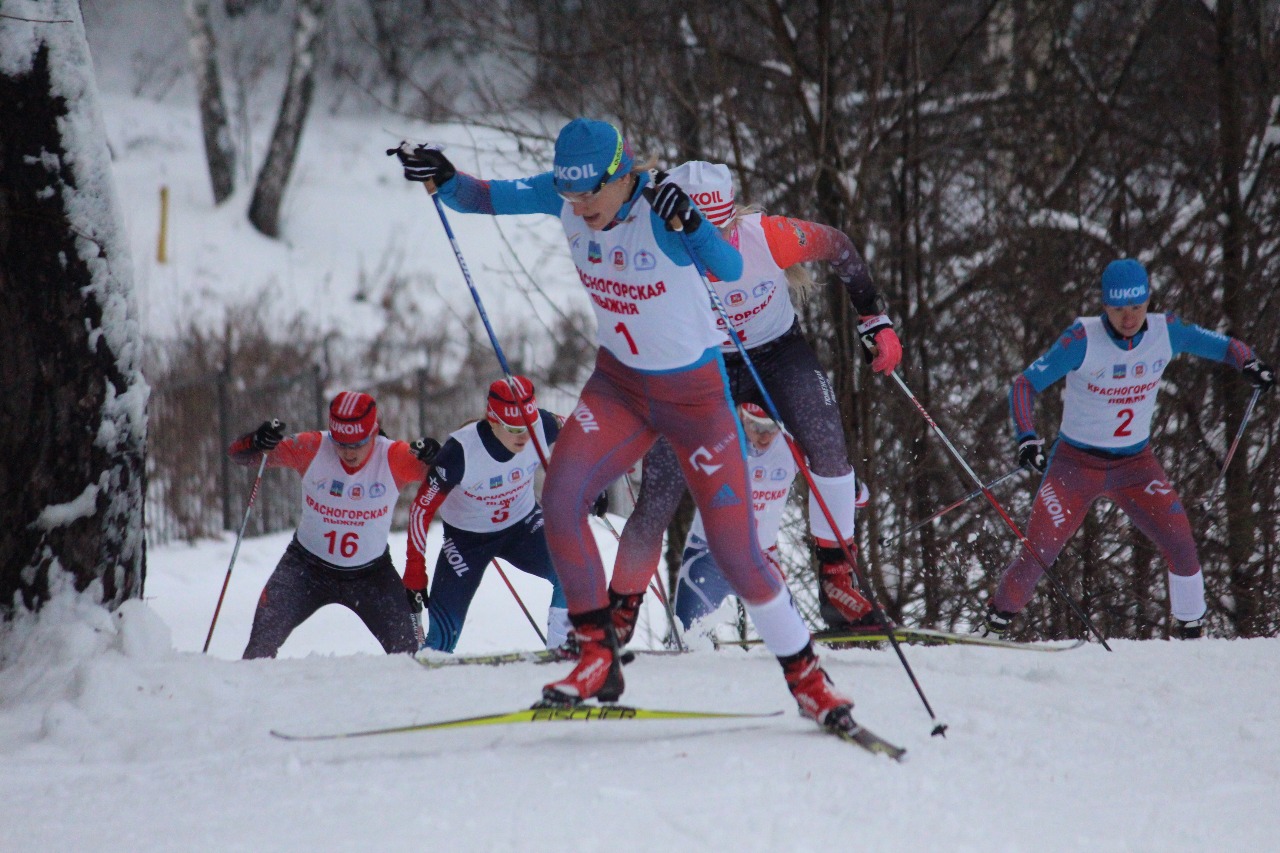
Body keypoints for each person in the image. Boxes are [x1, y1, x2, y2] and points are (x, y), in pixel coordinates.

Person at [391, 120, 864, 734]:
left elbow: (723, 265)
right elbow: (486, 196)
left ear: (624, 174)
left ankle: (809, 680)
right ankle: (596, 656)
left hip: (695, 400)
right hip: (619, 387)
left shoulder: (663, 207)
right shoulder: (568, 197)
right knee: (561, 498)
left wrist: (692, 223)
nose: (579, 206)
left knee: (738, 552)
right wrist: (443, 175)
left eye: (591, 192)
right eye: (569, 194)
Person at [610, 160, 901, 636]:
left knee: (828, 448)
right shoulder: (652, 243)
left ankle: (837, 581)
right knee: (658, 492)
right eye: (695, 230)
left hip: (778, 353)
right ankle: (617, 614)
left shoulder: (769, 236)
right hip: (701, 366)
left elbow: (840, 247)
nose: (711, 244)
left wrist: (873, 317)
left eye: (720, 229)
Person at [985, 259, 1274, 640]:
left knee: (1181, 542)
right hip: (1075, 465)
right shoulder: (1082, 338)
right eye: (1119, 309)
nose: (1128, 318)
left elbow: (1222, 346)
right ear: (1105, 305)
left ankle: (1192, 637)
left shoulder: (1164, 330)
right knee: (1039, 551)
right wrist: (1027, 436)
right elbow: (1024, 385)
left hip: (1136, 466)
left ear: (1148, 301)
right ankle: (993, 629)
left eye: (1137, 307)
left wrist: (1249, 362)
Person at [227, 391, 440, 658]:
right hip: (305, 570)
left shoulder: (394, 456)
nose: (348, 452)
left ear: (374, 432)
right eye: (341, 443)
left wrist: (437, 457)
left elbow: (447, 475)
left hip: (371, 576)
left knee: (410, 656)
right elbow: (239, 455)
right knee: (259, 648)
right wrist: (255, 441)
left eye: (358, 443)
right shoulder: (312, 447)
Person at [403, 376, 572, 653]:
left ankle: (565, 648)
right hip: (467, 541)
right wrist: (414, 573)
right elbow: (421, 510)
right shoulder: (459, 453)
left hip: (523, 527)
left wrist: (599, 468)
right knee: (441, 641)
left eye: (527, 426)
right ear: (492, 420)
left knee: (570, 567)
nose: (524, 436)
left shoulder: (542, 425)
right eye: (513, 428)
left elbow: (580, 434)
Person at [672, 402, 867, 631]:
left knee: (795, 642)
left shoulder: (789, 445)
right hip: (709, 557)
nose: (764, 437)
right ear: (741, 416)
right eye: (755, 427)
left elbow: (854, 493)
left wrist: (849, 489)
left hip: (762, 559)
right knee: (687, 641)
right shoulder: (719, 439)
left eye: (771, 428)